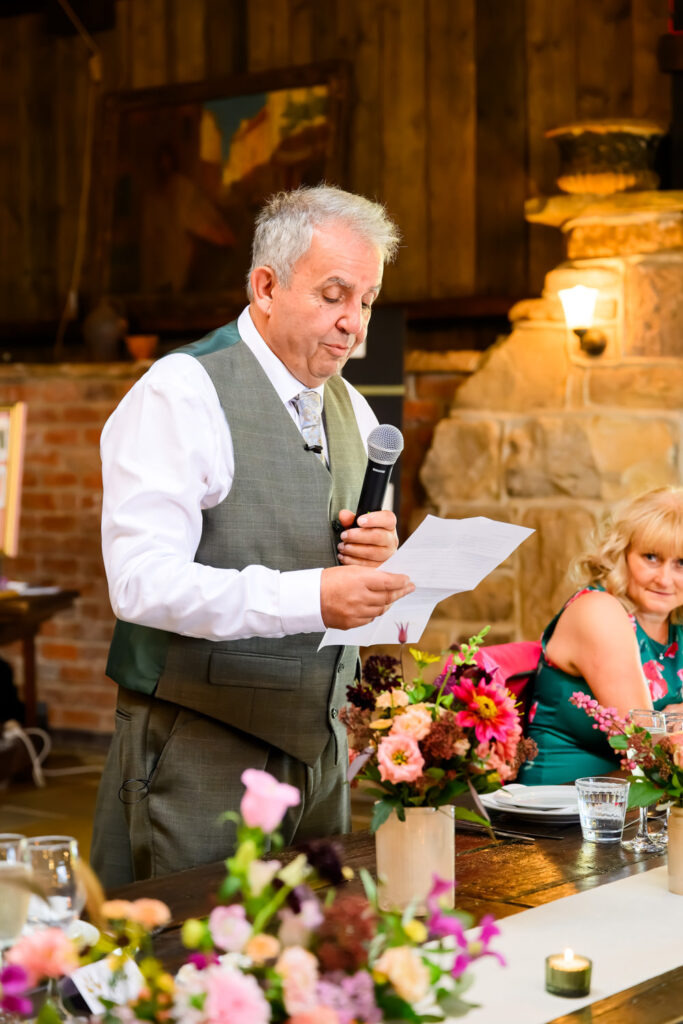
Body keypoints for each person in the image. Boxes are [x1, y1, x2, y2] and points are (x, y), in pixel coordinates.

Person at [91, 185, 415, 886]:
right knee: (187, 943)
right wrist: (312, 596)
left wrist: (374, 556)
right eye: (334, 295)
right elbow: (141, 583)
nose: (354, 323)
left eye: (367, 300)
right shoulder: (182, 391)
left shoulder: (356, 410)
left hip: (320, 751)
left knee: (310, 940)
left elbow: (327, 556)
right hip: (198, 745)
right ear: (266, 287)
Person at [521, 487, 683, 784]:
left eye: (681, 564)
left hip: (642, 804)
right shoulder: (598, 612)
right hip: (562, 803)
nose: (664, 579)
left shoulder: (678, 626)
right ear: (623, 554)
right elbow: (649, 750)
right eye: (651, 557)